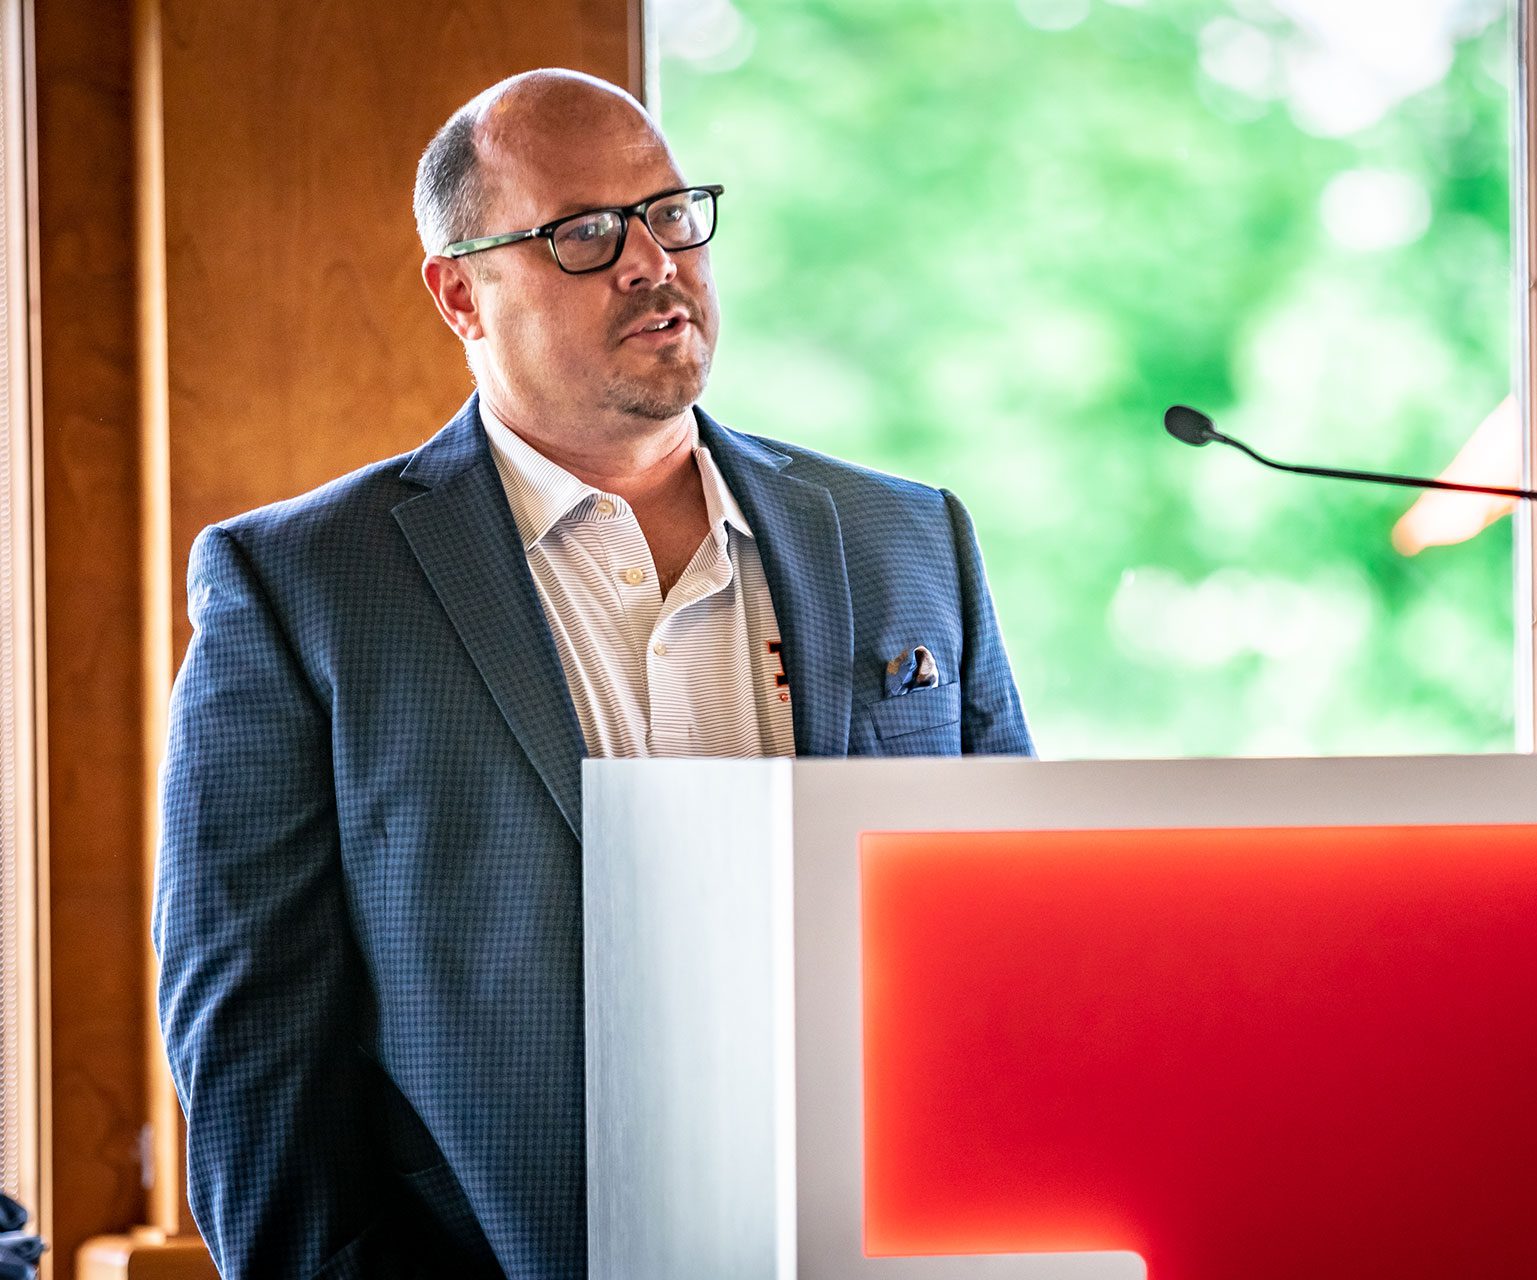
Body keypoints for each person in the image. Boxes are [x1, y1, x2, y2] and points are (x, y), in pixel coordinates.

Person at [153, 68, 1029, 1279]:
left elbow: (1004, 926)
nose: (652, 261)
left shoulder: (908, 537)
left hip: (886, 1242)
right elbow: (251, 1034)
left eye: (669, 213)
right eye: (584, 233)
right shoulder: (302, 583)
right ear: (460, 293)